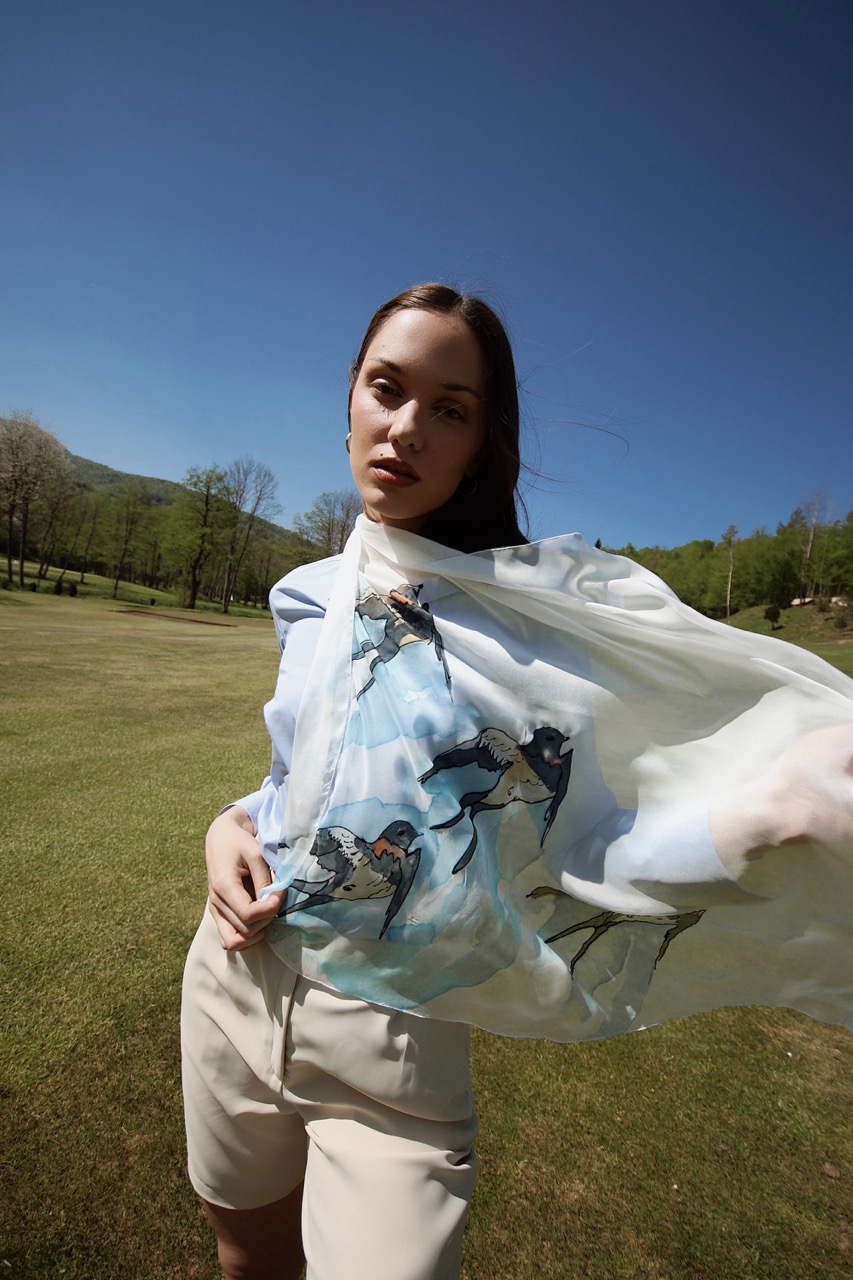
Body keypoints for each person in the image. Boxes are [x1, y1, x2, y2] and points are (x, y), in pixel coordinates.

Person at [182, 284, 853, 1280]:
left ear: (479, 443)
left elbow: (584, 845)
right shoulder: (308, 594)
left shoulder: (524, 632)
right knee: (246, 1256)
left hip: (395, 1052)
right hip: (229, 987)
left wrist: (765, 816)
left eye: (448, 408)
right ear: (351, 397)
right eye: (386, 388)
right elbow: (308, 775)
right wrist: (230, 821)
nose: (406, 427)